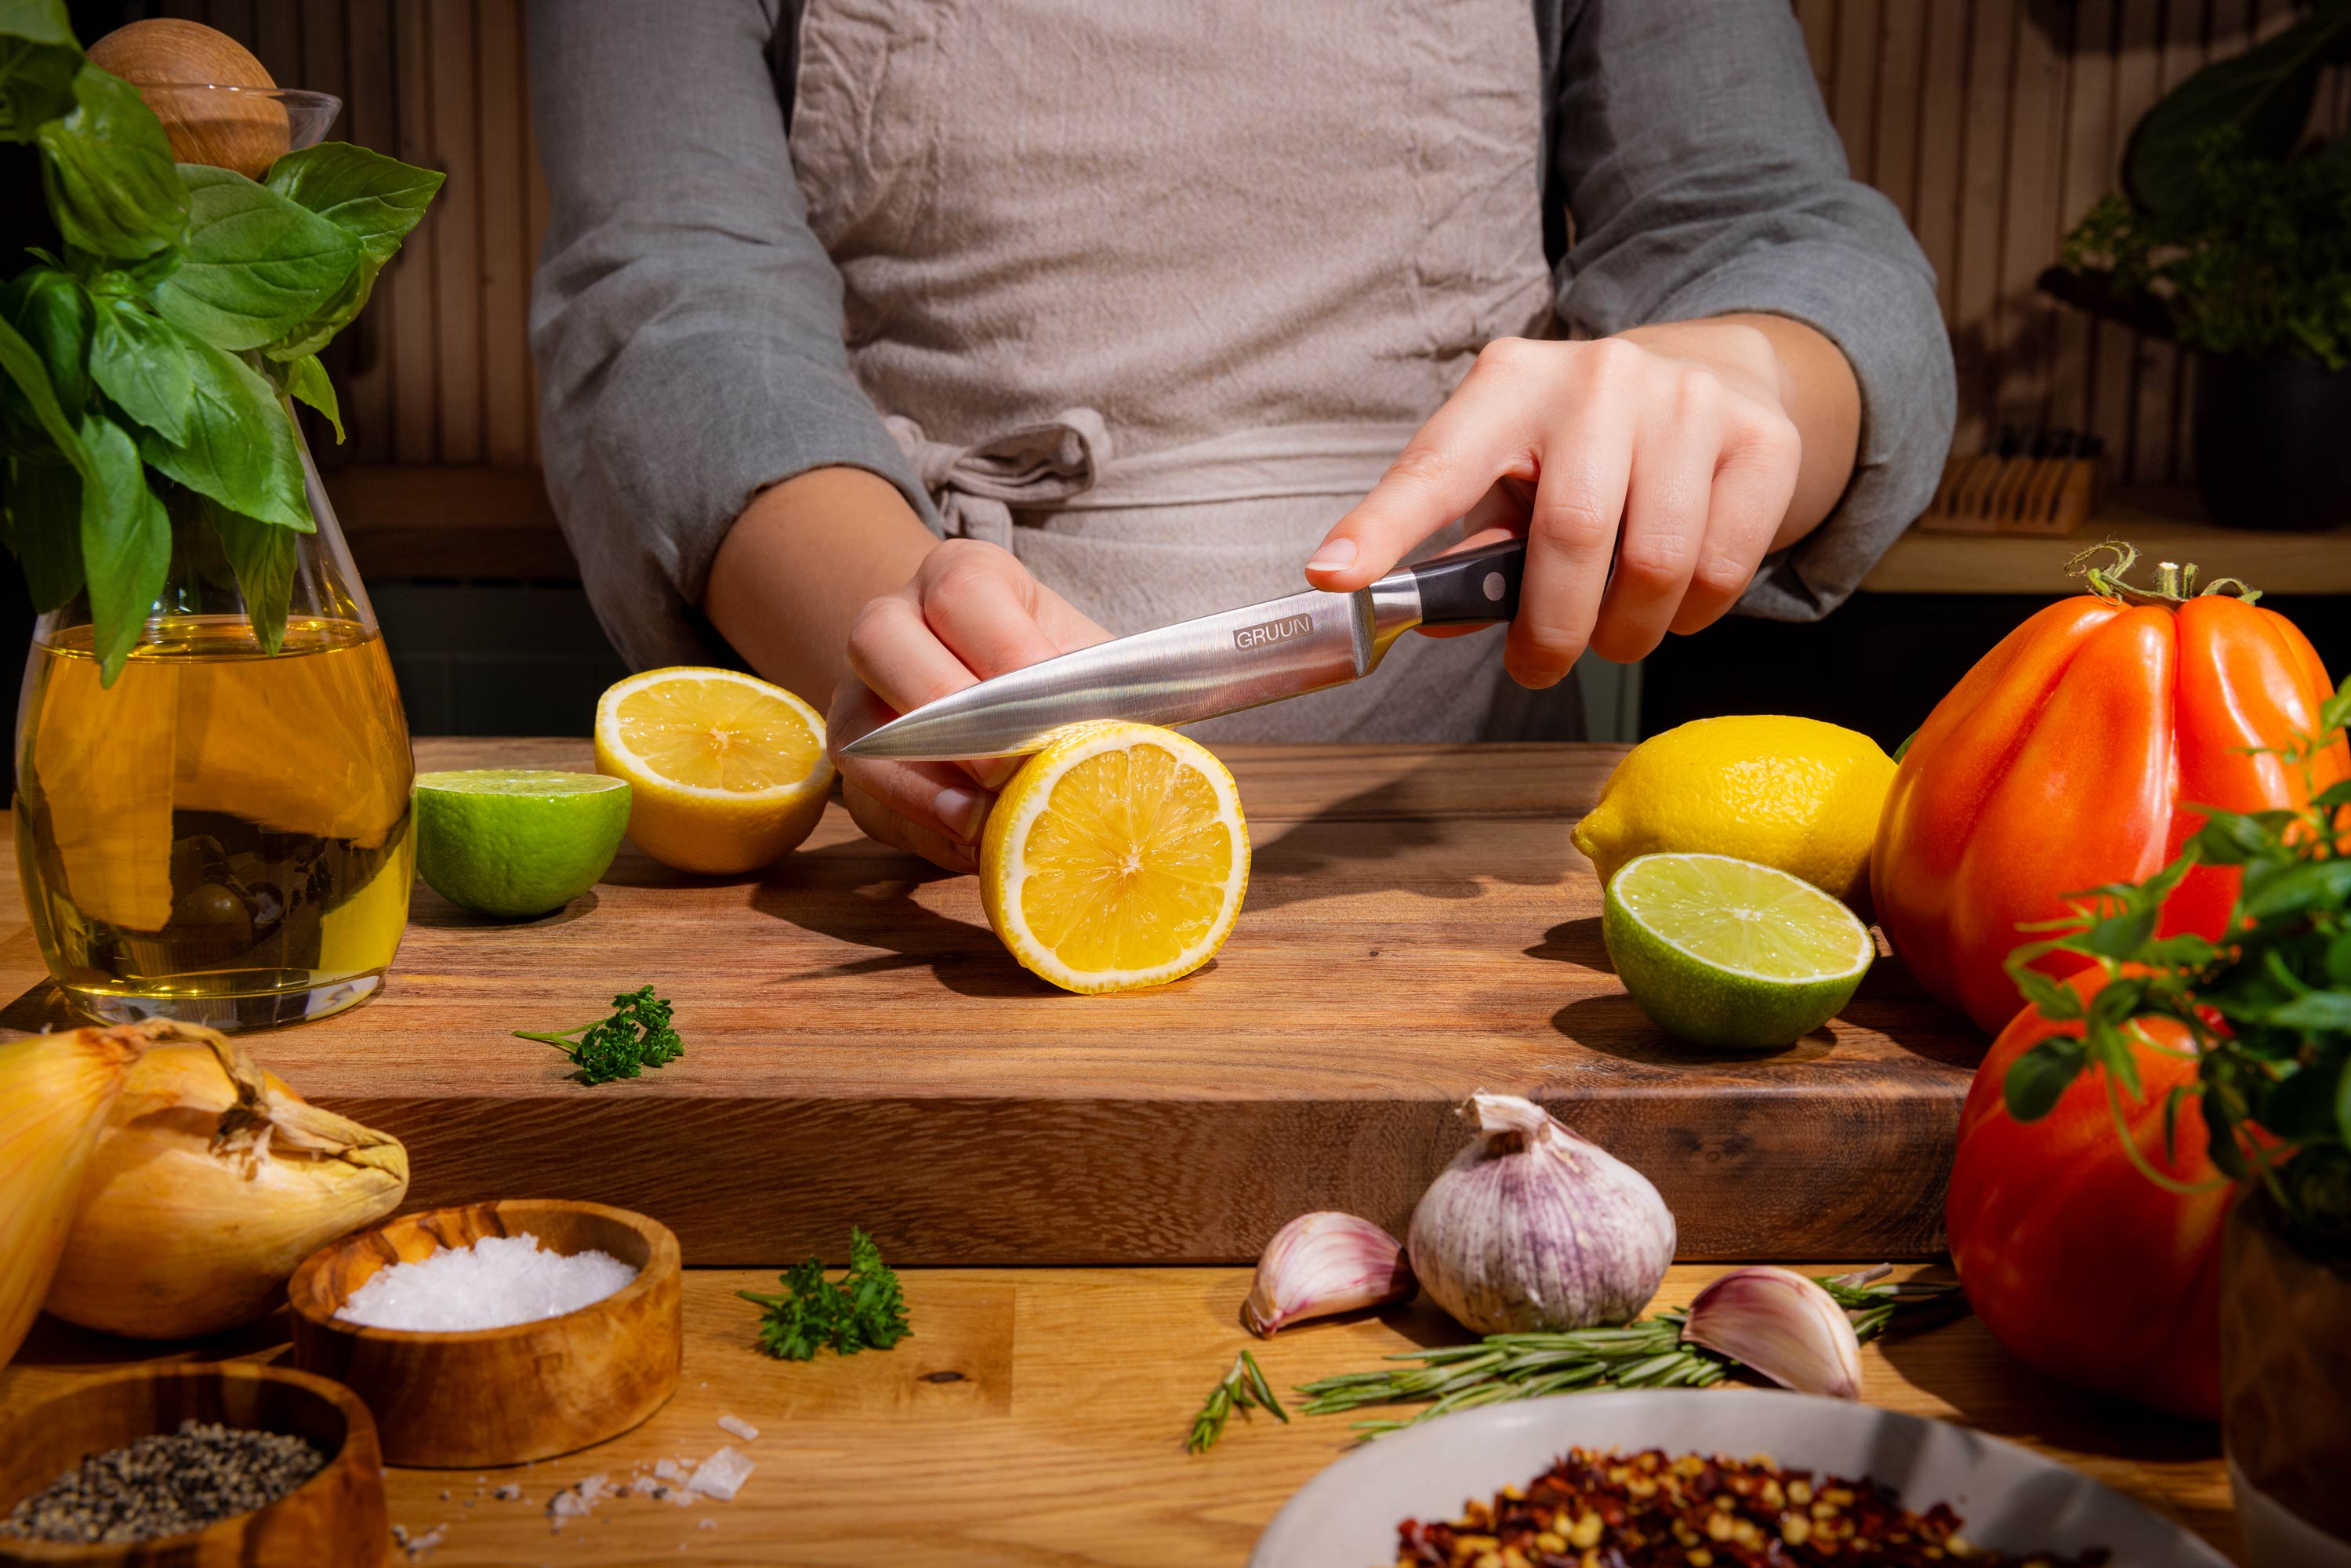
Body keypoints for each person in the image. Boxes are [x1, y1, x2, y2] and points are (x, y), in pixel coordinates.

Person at [529, 1, 1956, 873]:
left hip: (1457, 848)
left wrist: (1738, 372)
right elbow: (669, 285)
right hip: (921, 863)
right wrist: (886, 619)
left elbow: (1772, 227)